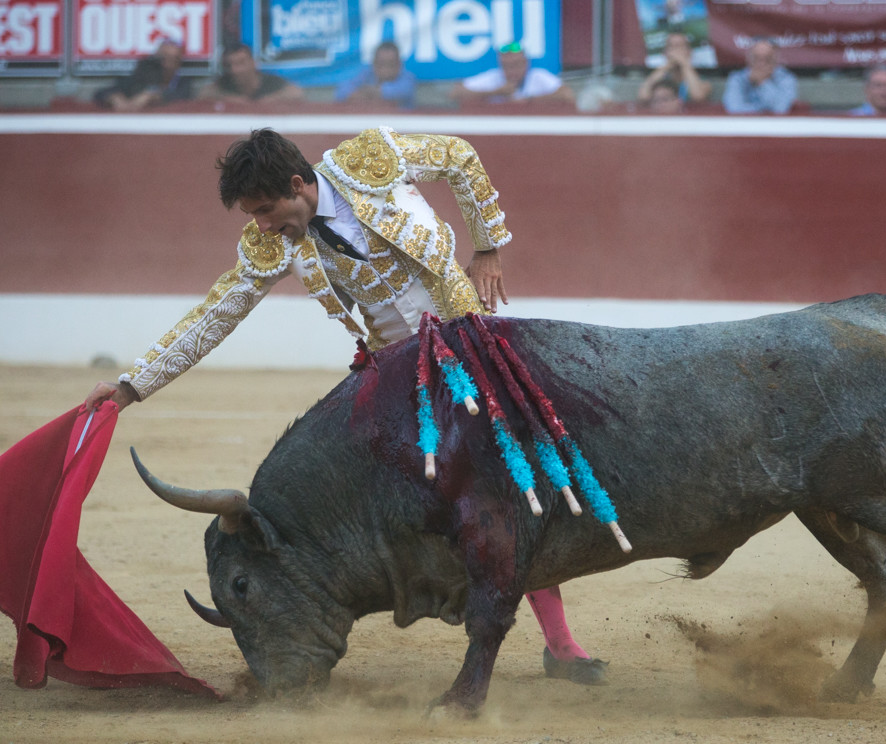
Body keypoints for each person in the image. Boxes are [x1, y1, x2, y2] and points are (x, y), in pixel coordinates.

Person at [82, 127, 606, 686]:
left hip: (469, 345)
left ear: (297, 184)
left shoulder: (369, 159)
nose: (260, 225)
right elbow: (216, 315)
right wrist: (131, 387)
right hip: (400, 376)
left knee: (515, 481)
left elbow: (460, 156)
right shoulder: (273, 242)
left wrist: (487, 245)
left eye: (265, 210)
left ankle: (559, 643)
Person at [450, 42, 575, 106]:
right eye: (507, 66)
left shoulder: (538, 76)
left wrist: (528, 101)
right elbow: (455, 93)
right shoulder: (493, 77)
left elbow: (567, 94)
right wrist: (495, 93)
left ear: (526, 63)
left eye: (516, 65)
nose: (511, 70)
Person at [94, 39, 191, 111]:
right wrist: (113, 97)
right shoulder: (143, 77)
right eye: (163, 58)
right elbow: (102, 92)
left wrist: (153, 96)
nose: (166, 63)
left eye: (173, 59)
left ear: (180, 62)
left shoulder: (184, 82)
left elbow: (184, 96)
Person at [197, 43, 306, 105]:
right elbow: (203, 94)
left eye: (241, 63)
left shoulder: (270, 81)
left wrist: (265, 101)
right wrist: (234, 100)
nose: (235, 70)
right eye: (229, 65)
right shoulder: (225, 81)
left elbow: (296, 93)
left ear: (253, 63)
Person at [636, 32, 712, 108]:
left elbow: (698, 97)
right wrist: (667, 65)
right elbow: (643, 96)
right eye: (671, 46)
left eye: (680, 46)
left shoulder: (702, 80)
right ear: (665, 53)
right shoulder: (661, 78)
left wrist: (684, 64)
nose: (676, 51)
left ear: (689, 51)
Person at [722, 39, 798, 115]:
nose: (761, 64)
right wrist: (763, 111)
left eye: (767, 59)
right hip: (745, 125)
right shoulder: (737, 78)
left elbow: (780, 108)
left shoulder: (786, 79)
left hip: (775, 125)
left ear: (776, 60)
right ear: (749, 59)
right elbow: (734, 108)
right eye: (756, 58)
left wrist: (762, 82)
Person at [335, 41, 417, 108]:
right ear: (373, 63)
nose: (386, 70)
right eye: (381, 64)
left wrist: (371, 92)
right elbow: (341, 92)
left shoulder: (407, 78)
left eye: (391, 65)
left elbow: (402, 92)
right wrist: (357, 94)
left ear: (399, 64)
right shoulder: (366, 74)